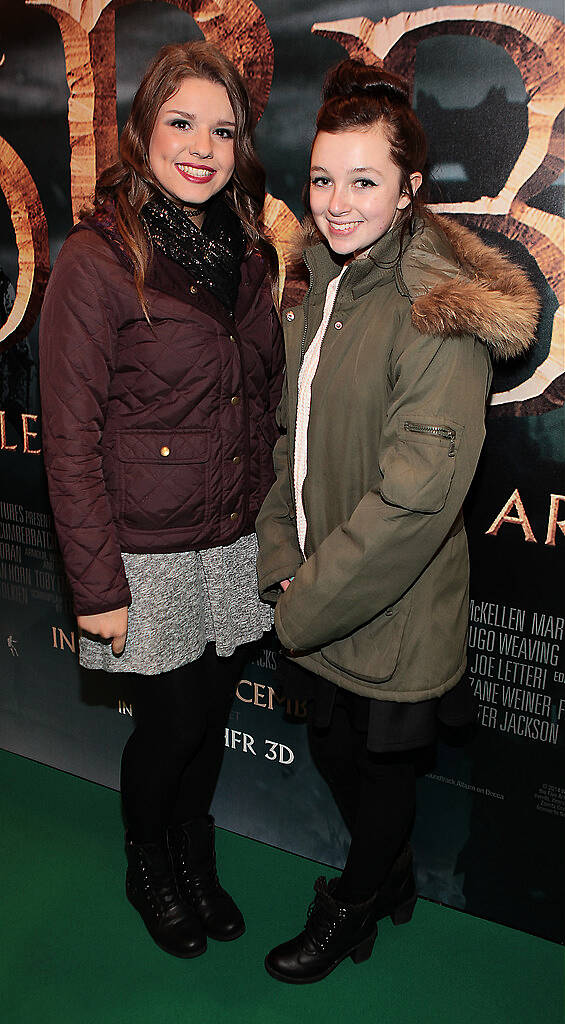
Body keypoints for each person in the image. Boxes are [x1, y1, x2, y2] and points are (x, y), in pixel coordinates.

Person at [256, 59, 539, 984]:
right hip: (319, 586)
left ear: (410, 188)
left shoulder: (435, 310)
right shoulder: (319, 281)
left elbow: (415, 501)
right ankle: (384, 878)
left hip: (392, 603)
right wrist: (278, 558)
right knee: (338, 750)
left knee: (380, 770)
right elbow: (288, 446)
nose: (336, 205)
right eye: (322, 180)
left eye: (364, 182)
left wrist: (301, 602)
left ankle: (354, 900)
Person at [40, 41, 283, 959]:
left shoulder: (248, 246)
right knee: (172, 722)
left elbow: (259, 399)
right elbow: (67, 436)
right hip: (141, 546)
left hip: (228, 535)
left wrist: (276, 535)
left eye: (222, 129)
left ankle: (194, 857)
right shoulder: (95, 260)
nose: (202, 146)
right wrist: (96, 583)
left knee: (209, 715)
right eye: (180, 122)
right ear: (140, 132)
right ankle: (150, 863)